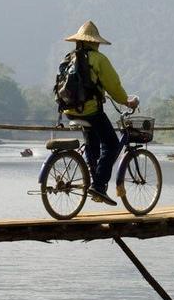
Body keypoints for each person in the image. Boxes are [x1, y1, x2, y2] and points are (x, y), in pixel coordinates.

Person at [59, 21, 138, 206]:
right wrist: (126, 101)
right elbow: (113, 86)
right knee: (111, 144)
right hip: (90, 111)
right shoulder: (98, 59)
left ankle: (93, 178)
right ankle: (100, 185)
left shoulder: (69, 57)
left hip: (70, 110)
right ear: (94, 42)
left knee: (93, 144)